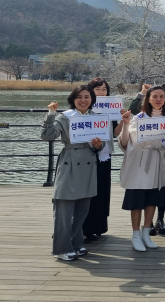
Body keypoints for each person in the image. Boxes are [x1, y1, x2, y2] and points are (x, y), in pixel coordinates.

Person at [41, 86, 104, 260]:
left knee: (82, 210)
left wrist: (99, 145)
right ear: (73, 99)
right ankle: (61, 249)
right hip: (69, 163)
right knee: (64, 211)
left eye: (87, 97)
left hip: (89, 164)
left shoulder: (95, 117)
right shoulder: (65, 116)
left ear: (92, 99)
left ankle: (76, 243)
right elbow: (47, 135)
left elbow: (102, 142)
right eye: (79, 97)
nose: (83, 100)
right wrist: (51, 114)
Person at [119, 86, 165, 251]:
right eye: (155, 96)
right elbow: (125, 143)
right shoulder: (139, 117)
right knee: (137, 201)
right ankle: (135, 234)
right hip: (139, 164)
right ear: (148, 98)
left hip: (158, 163)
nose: (159, 99)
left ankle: (146, 232)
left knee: (152, 200)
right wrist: (125, 125)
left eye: (162, 96)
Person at [82, 78, 126, 242]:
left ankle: (97, 227)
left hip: (105, 153)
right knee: (87, 191)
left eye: (104, 89)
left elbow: (115, 133)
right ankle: (83, 227)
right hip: (87, 154)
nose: (101, 92)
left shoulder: (111, 106)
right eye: (98, 89)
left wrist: (123, 120)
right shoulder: (84, 104)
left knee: (101, 190)